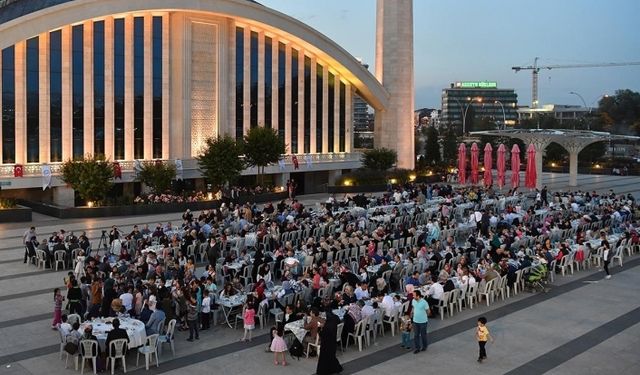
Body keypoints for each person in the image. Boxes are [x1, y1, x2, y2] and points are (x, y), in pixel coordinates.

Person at [316, 308, 343, 375]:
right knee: (332, 357)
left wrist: (321, 328)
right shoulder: (334, 319)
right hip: (333, 342)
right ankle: (335, 368)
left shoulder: (327, 326)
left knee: (325, 359)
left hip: (326, 344)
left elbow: (322, 334)